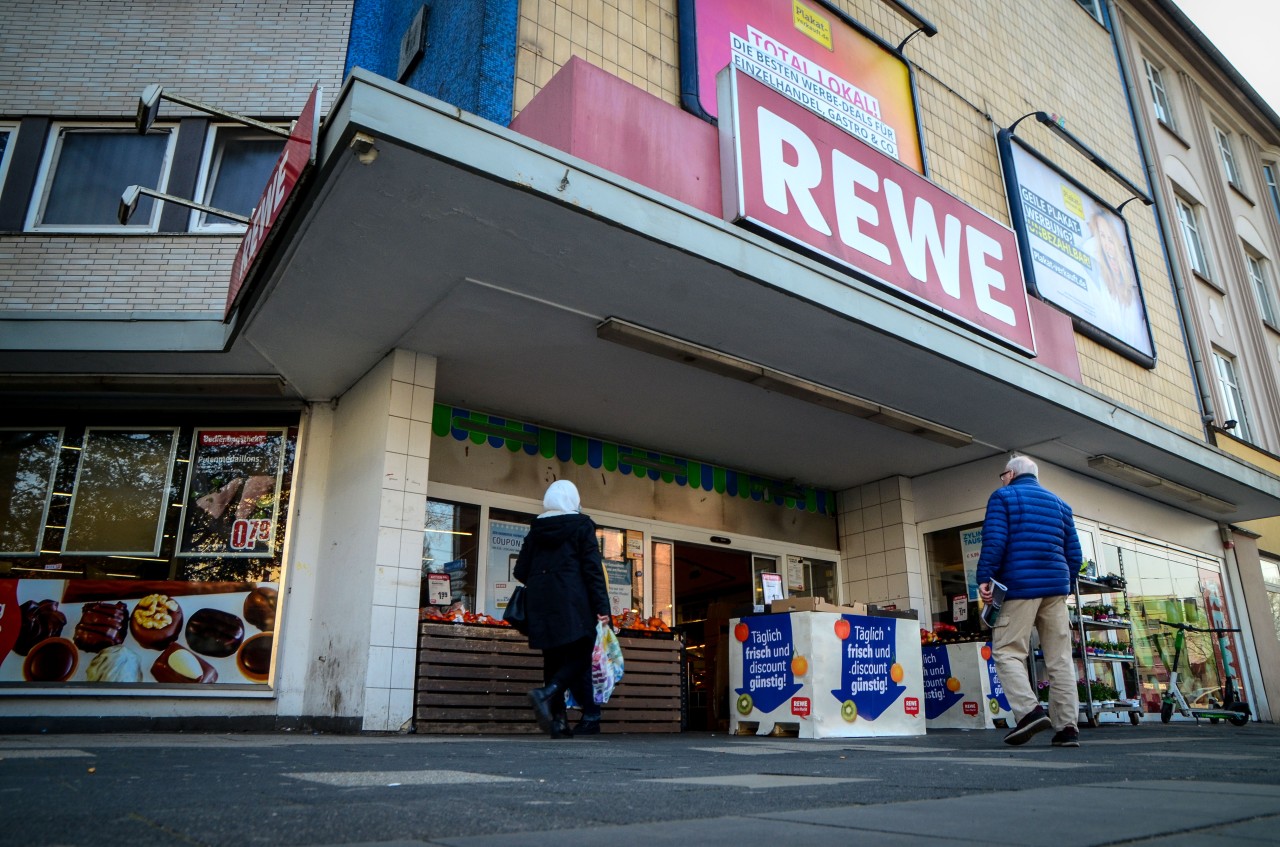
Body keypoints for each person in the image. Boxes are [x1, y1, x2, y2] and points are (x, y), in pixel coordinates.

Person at [977, 455, 1083, 747]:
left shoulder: (1004, 496)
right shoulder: (1061, 505)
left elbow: (995, 540)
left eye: (1003, 474)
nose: (1002, 479)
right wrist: (1063, 583)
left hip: (1020, 587)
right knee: (1060, 659)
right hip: (1056, 591)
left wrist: (985, 577)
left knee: (1007, 651)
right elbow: (1075, 555)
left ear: (1010, 474)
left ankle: (1028, 712)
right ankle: (1067, 728)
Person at [513, 479, 612, 738]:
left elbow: (520, 570)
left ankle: (558, 722)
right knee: (582, 651)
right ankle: (547, 692)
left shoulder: (536, 529)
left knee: (553, 657)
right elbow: (592, 570)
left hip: (541, 603)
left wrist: (543, 581)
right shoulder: (581, 526)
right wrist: (602, 607)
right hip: (573, 601)